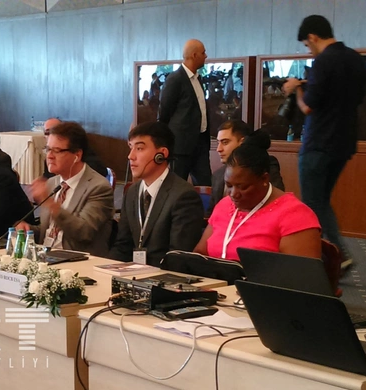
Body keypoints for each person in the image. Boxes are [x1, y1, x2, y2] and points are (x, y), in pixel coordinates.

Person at [282, 14, 366, 271]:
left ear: (312, 37)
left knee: (313, 202)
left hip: (319, 140)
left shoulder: (323, 61)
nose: (309, 50)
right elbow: (358, 96)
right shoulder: (354, 59)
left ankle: (336, 254)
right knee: (321, 200)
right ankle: (330, 255)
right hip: (344, 142)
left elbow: (308, 106)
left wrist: (296, 88)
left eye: (307, 45)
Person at [194, 142, 321, 260]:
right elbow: (200, 253)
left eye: (243, 187)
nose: (233, 194)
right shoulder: (224, 205)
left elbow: (300, 273)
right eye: (229, 185)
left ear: (264, 179)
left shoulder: (295, 215)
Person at [111, 122, 206, 266]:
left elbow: (178, 258)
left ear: (161, 154)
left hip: (162, 274)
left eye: (139, 148)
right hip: (132, 273)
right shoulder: (132, 191)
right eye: (131, 147)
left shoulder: (184, 196)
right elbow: (122, 246)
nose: (131, 156)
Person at [25, 121, 114, 256]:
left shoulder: (98, 187)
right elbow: (49, 231)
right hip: (47, 257)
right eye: (48, 149)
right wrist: (27, 229)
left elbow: (84, 232)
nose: (49, 156)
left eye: (57, 151)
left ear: (77, 155)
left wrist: (51, 205)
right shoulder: (52, 183)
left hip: (79, 261)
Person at [158, 39, 212, 186]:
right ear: (194, 55)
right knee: (176, 187)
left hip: (200, 144)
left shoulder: (198, 79)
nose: (206, 56)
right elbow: (164, 114)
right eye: (203, 53)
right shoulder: (175, 79)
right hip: (180, 148)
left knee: (206, 186)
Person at [211, 121, 283, 213]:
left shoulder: (264, 165)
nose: (219, 149)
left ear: (242, 142)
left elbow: (276, 204)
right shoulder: (217, 175)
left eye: (225, 142)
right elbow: (211, 213)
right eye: (218, 143)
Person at [42, 118, 107, 179]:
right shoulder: (51, 181)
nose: (49, 156)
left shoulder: (83, 151)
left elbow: (100, 171)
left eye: (57, 150)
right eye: (47, 132)